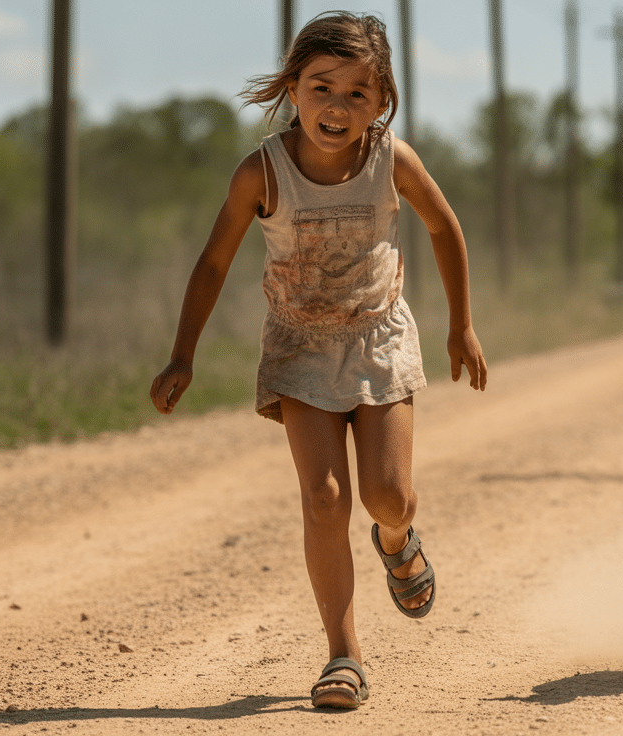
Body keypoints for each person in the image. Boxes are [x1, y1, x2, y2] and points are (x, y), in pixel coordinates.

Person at [149, 11, 487, 710]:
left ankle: (397, 541)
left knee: (386, 495)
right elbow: (214, 263)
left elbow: (444, 228)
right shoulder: (261, 172)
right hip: (299, 346)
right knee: (323, 498)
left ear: (382, 102)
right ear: (293, 88)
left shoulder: (392, 159)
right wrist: (183, 353)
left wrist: (462, 327)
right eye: (321, 87)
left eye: (357, 93)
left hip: (379, 338)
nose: (337, 107)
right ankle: (344, 652)